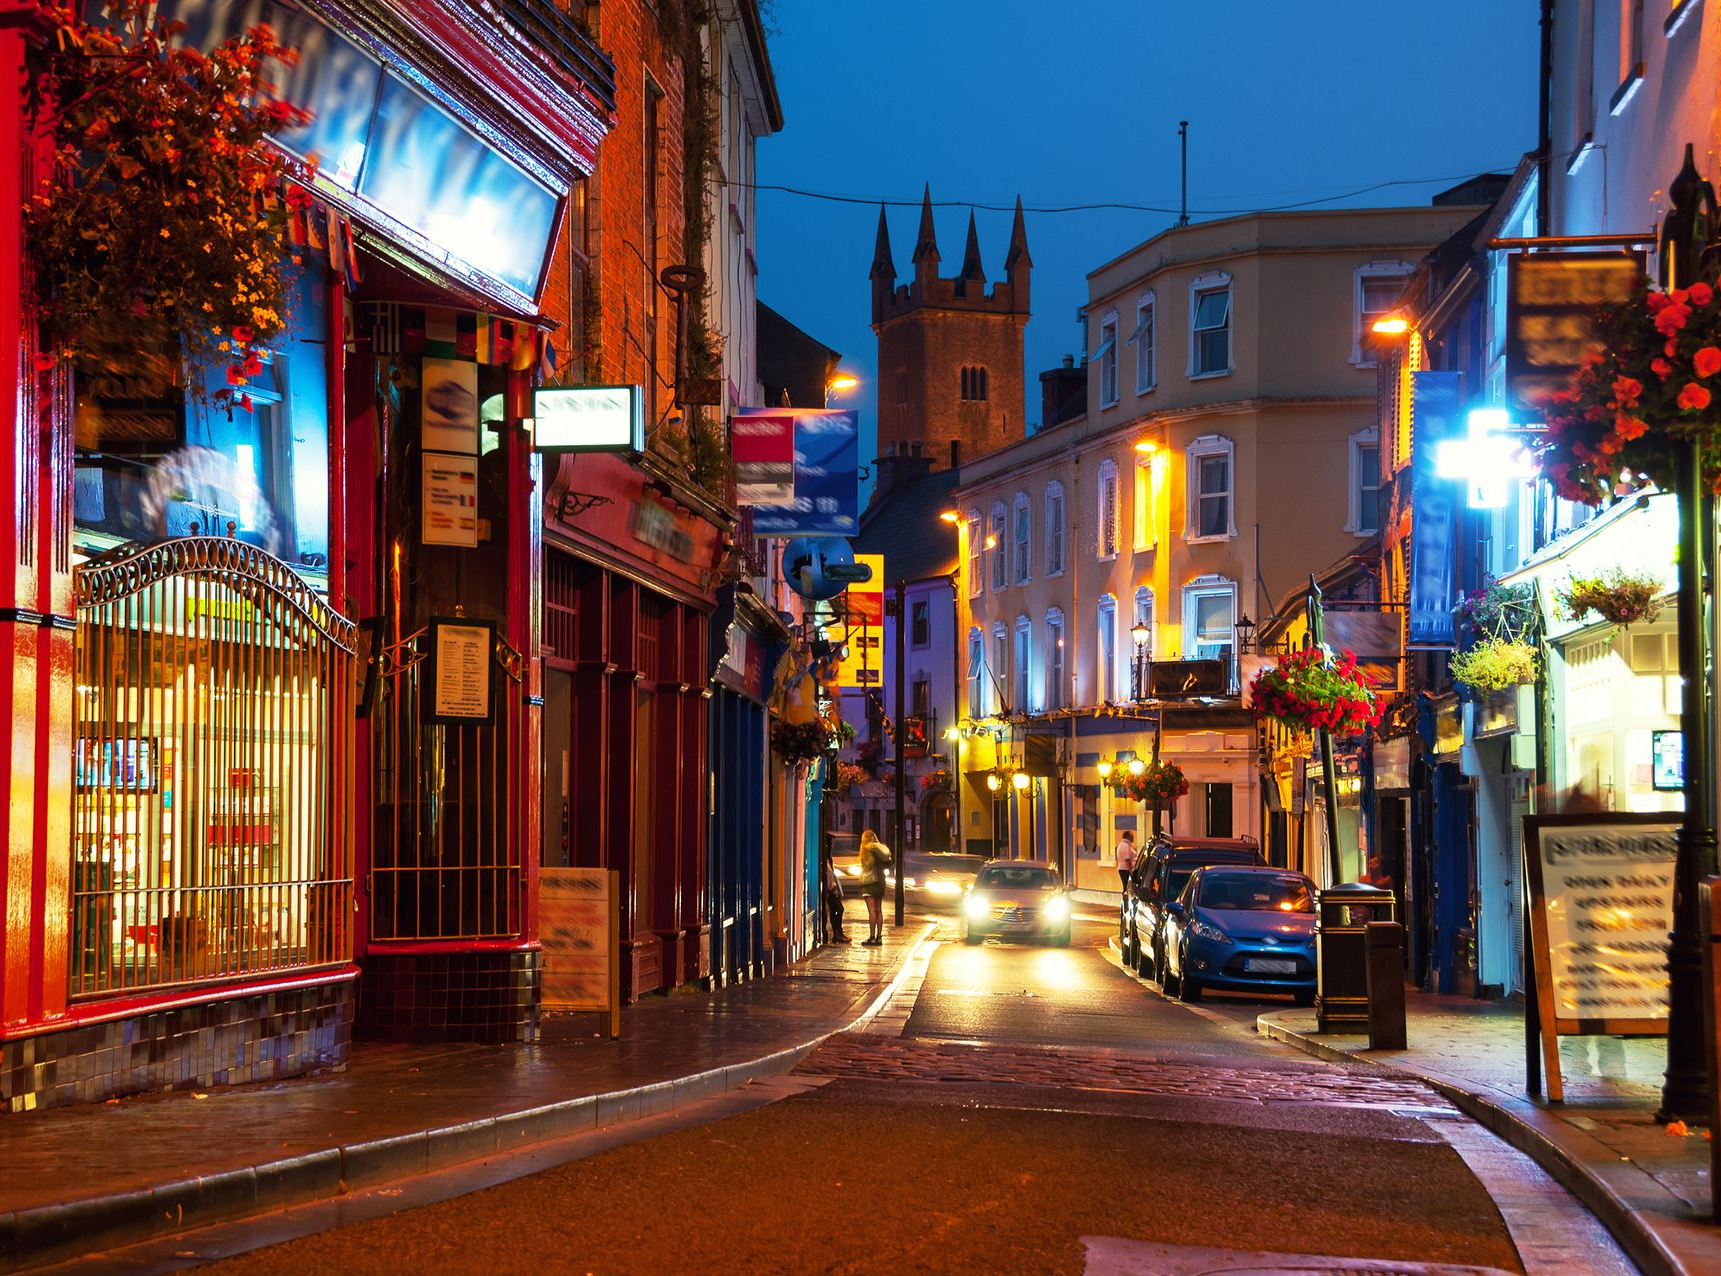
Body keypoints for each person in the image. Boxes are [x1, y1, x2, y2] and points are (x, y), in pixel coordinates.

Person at [858, 829, 892, 946]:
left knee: (872, 911)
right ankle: (879, 937)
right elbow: (888, 862)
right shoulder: (880, 850)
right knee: (879, 910)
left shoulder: (865, 850)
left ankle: (872, 937)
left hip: (868, 883)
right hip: (880, 882)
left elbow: (865, 867)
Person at [821, 849, 850, 944]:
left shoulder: (828, 859)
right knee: (838, 909)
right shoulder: (824, 860)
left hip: (832, 889)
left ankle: (838, 934)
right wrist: (831, 889)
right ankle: (837, 934)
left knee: (836, 911)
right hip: (830, 890)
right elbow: (827, 876)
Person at [1114, 829, 1138, 895]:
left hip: (1123, 868)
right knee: (1127, 886)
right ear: (1128, 836)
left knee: (1126, 886)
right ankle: (1126, 900)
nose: (1133, 837)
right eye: (1132, 836)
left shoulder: (1123, 845)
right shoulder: (1125, 846)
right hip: (1125, 869)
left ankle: (1125, 899)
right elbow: (1127, 859)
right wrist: (1131, 870)